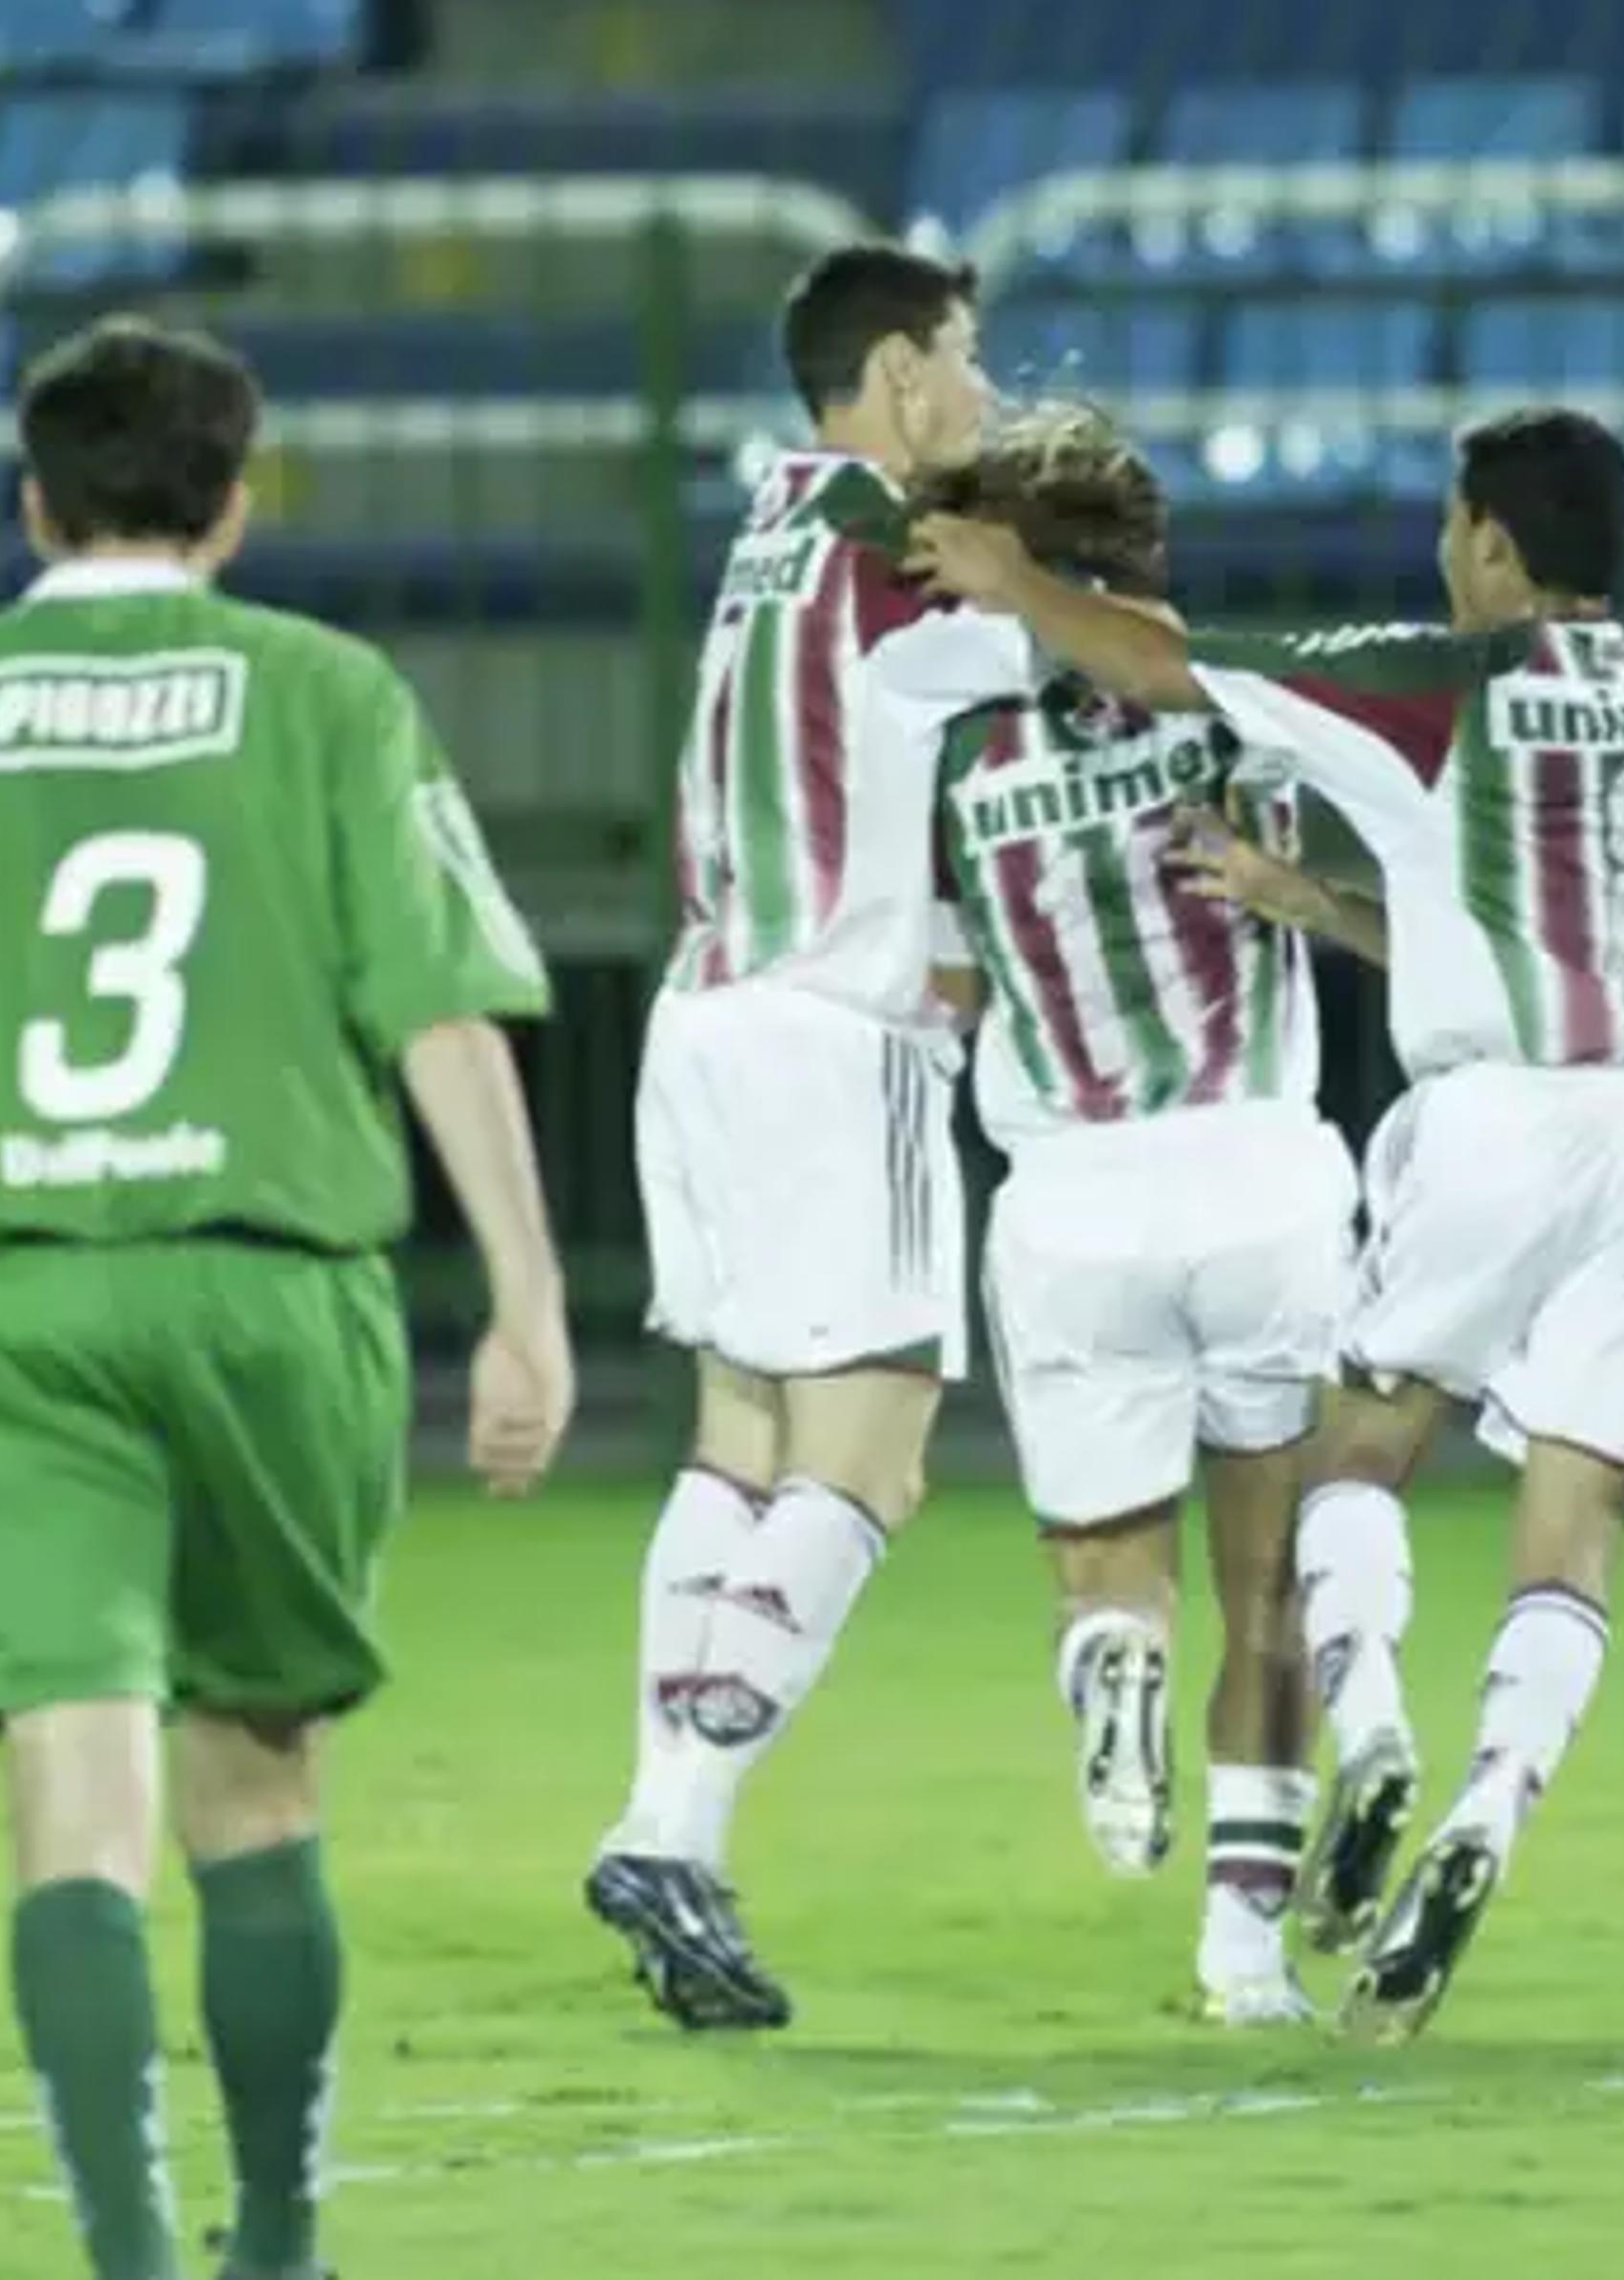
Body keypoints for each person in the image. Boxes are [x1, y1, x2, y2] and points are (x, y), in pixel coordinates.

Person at [0, 316, 571, 2280]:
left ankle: (127, 2258)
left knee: (68, 1793)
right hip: (276, 1294)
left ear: (32, 503)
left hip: (19, 1306)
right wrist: (527, 1298)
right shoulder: (330, 694)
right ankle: (275, 2243)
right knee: (257, 1785)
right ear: (236, 505)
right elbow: (438, 1001)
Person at [912, 407, 1624, 2043]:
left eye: (1458, 532)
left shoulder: (1440, 681)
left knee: (1348, 1460)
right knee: (1579, 1524)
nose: (1444, 557)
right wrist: (1317, 905)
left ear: (1499, 549)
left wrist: (1013, 575)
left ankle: (1372, 1730)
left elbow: (1159, 667)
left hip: (1508, 1120)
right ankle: (1487, 1815)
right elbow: (1527, 915)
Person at [587, 242, 1027, 2032]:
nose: (985, 396)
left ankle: (661, 1825)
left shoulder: (772, 522)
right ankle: (673, 1828)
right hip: (830, 1049)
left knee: (741, 1448)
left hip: (703, 1017)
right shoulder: (897, 555)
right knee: (873, 1457)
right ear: (904, 373)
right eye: (971, 362)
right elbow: (1097, 674)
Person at [909, 406, 1354, 2025]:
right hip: (1257, 1168)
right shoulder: (1237, 688)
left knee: (1111, 1571)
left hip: (1071, 1198)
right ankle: (1244, 1950)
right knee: (1276, 1593)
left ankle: (1112, 1663)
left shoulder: (954, 750)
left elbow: (948, 987)